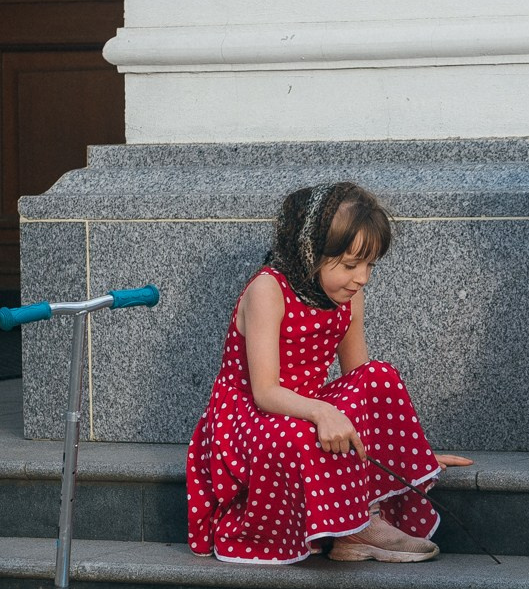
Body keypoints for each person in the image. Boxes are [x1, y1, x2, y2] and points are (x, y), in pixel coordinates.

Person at [185, 182, 466, 565]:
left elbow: (361, 382)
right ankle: (355, 527)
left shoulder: (348, 295)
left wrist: (408, 450)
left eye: (369, 265)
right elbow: (265, 392)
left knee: (379, 376)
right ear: (309, 251)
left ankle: (357, 532)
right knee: (301, 430)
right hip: (250, 419)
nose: (362, 277)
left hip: (309, 407)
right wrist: (321, 412)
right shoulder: (268, 290)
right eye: (350, 265)